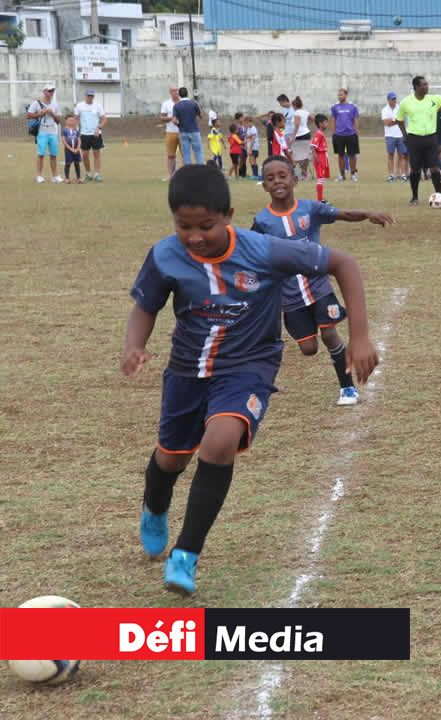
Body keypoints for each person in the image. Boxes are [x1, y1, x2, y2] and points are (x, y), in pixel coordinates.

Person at [125, 164, 379, 596]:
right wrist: (134, 344)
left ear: (229, 215)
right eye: (184, 226)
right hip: (187, 371)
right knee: (170, 458)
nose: (195, 236)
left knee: (220, 443)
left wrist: (360, 336)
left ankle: (185, 553)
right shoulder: (166, 255)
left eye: (206, 225)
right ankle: (155, 506)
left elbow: (343, 263)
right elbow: (146, 305)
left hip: (248, 366)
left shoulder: (265, 250)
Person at [250, 154, 392, 406]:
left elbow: (344, 214)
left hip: (319, 288)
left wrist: (369, 213)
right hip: (290, 296)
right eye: (270, 178)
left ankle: (347, 388)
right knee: (309, 349)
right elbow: (251, 252)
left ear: (294, 179)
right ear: (263, 185)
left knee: (329, 335)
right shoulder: (262, 221)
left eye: (283, 176)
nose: (277, 182)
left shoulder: (310, 209)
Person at [396, 75, 441, 206]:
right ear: (416, 87)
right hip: (414, 139)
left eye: (427, 84)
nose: (426, 86)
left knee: (435, 169)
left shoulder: (434, 99)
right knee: (415, 170)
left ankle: (439, 196)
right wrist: (405, 135)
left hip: (430, 139)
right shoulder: (406, 102)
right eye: (423, 85)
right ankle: (414, 197)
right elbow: (399, 119)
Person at [27, 84, 61, 184]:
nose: (51, 93)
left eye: (52, 91)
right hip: (42, 131)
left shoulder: (55, 105)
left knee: (53, 154)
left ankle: (55, 176)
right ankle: (39, 176)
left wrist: (52, 113)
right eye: (49, 91)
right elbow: (28, 115)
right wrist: (40, 113)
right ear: (44, 92)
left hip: (53, 132)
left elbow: (58, 121)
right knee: (41, 154)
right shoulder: (36, 103)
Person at [75, 88, 106, 181]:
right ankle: (88, 173)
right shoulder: (80, 106)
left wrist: (99, 128)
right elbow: (76, 118)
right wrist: (76, 130)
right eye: (88, 95)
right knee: (84, 155)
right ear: (85, 96)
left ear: (93, 96)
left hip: (96, 134)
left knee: (97, 154)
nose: (90, 97)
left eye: (92, 96)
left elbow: (104, 119)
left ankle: (97, 174)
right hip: (84, 134)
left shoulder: (98, 106)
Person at [330, 88, 360, 182]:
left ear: (346, 95)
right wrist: (333, 132)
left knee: (352, 155)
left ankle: (353, 174)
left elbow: (355, 120)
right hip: (339, 135)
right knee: (340, 155)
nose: (340, 96)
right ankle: (342, 175)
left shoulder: (352, 107)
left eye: (341, 95)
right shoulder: (335, 107)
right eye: (338, 95)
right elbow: (333, 119)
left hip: (351, 134)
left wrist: (356, 131)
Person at [172, 87, 203, 167]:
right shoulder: (193, 103)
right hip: (194, 130)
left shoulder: (176, 106)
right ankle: (201, 171)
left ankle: (188, 172)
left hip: (183, 131)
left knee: (186, 154)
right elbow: (201, 116)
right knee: (198, 152)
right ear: (187, 93)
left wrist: (179, 125)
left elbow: (174, 120)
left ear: (179, 95)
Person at [382, 92, 409, 182]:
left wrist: (393, 120)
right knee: (390, 155)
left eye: (395, 99)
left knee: (402, 155)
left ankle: (403, 174)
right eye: (392, 99)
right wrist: (396, 120)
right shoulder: (385, 110)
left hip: (400, 135)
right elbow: (387, 123)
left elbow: (402, 120)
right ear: (388, 100)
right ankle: (391, 175)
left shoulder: (399, 108)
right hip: (390, 135)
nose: (394, 101)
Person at [287, 97, 313, 180]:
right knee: (305, 155)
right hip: (306, 134)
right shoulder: (305, 112)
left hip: (299, 135)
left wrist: (293, 136)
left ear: (294, 105)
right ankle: (304, 174)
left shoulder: (296, 113)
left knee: (296, 155)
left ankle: (303, 173)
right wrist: (306, 126)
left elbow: (297, 125)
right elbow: (312, 119)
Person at [311, 113, 331, 200]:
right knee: (320, 179)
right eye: (325, 122)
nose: (327, 124)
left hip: (322, 157)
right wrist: (317, 158)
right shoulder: (318, 134)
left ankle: (320, 199)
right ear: (320, 124)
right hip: (319, 157)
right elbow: (312, 146)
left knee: (322, 179)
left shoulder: (321, 133)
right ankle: (319, 200)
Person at [162, 86, 181, 177]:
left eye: (176, 90)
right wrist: (171, 118)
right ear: (170, 92)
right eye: (173, 91)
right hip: (170, 132)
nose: (175, 92)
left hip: (182, 131)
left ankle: (184, 175)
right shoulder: (166, 104)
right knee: (171, 155)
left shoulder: (183, 102)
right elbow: (162, 118)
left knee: (185, 154)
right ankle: (171, 175)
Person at [61, 115, 82, 183]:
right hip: (68, 150)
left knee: (77, 163)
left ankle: (78, 178)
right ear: (66, 121)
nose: (72, 122)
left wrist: (77, 148)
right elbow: (63, 140)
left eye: (73, 120)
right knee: (68, 163)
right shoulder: (64, 130)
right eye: (70, 120)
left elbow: (79, 139)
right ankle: (67, 178)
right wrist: (70, 149)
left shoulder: (76, 130)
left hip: (76, 150)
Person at [228, 113, 245, 178]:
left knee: (235, 164)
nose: (238, 130)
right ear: (234, 130)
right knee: (234, 164)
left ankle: (237, 176)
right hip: (235, 152)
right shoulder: (235, 136)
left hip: (232, 152)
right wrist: (245, 141)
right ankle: (229, 175)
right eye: (237, 129)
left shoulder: (231, 136)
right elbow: (240, 142)